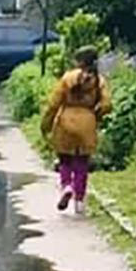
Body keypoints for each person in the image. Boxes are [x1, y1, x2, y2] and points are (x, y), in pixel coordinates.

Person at [41, 46, 113, 214]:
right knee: (82, 162)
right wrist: (96, 114)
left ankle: (66, 186)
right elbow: (107, 104)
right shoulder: (98, 80)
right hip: (87, 121)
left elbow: (53, 104)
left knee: (64, 158)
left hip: (66, 119)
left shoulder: (67, 78)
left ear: (79, 61)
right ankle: (79, 200)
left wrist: (46, 124)